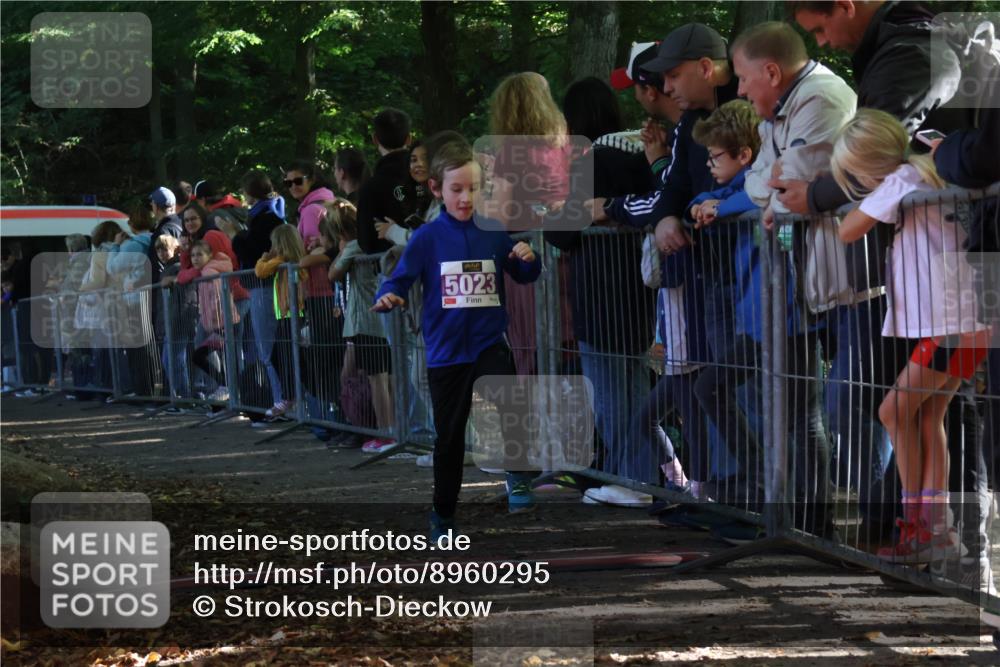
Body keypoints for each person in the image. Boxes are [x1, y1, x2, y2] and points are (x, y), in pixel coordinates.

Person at [831, 108, 990, 563]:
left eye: (854, 175)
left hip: (950, 326)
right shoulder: (932, 173)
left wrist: (872, 194)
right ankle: (936, 528)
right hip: (969, 325)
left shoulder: (903, 179)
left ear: (869, 165)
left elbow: (848, 229)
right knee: (926, 417)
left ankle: (926, 525)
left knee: (893, 412)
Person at [373, 141, 542, 537]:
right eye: (457, 189)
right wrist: (389, 295)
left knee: (512, 405)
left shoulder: (493, 232)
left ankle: (518, 475)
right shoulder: (427, 238)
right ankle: (443, 514)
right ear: (436, 189)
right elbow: (400, 277)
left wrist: (527, 258)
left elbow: (523, 274)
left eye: (473, 188)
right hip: (446, 354)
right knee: (449, 439)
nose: (466, 198)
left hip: (488, 343)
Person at [543, 76, 658, 504]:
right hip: (637, 295)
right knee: (635, 389)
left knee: (611, 394)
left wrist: (555, 212)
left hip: (599, 296)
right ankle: (641, 475)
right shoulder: (640, 157)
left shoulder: (591, 161)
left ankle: (631, 481)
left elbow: (561, 232)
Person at [486, 72, 571, 376]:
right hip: (566, 258)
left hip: (528, 262)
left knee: (533, 350)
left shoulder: (509, 153)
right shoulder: (565, 147)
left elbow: (499, 217)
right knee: (568, 345)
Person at [328, 197, 396, 454]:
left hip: (366, 321)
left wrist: (341, 250)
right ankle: (390, 429)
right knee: (386, 378)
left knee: (377, 379)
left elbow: (333, 274)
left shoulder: (354, 246)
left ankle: (386, 433)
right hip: (381, 320)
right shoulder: (372, 243)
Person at [233, 170, 288, 423]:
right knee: (273, 349)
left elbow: (253, 250)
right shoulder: (273, 211)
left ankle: (281, 404)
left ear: (249, 192)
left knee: (268, 349)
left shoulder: (265, 217)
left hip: (265, 287)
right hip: (267, 286)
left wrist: (235, 235)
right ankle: (283, 402)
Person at [254, 225, 309, 419]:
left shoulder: (282, 260)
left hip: (293, 315)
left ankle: (290, 396)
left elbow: (260, 271)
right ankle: (294, 395)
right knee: (278, 356)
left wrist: (264, 257)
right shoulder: (285, 262)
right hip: (284, 316)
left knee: (286, 357)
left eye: (274, 243)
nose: (272, 247)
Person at [106, 207, 158, 397]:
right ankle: (152, 386)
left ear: (132, 224)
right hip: (151, 296)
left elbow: (113, 268)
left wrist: (115, 246)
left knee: (137, 346)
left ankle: (142, 389)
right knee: (149, 345)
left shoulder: (133, 245)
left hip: (134, 298)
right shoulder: (153, 240)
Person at [187, 239, 240, 402]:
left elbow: (218, 298)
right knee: (214, 357)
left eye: (199, 255)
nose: (195, 258)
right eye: (193, 255)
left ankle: (226, 387)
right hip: (219, 324)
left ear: (209, 256)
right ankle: (226, 389)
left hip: (223, 325)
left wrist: (214, 322)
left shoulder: (209, 273)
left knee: (200, 356)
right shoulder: (205, 272)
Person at [356, 108, 414, 254]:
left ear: (375, 139)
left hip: (389, 264)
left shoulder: (370, 188)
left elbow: (366, 241)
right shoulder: (428, 179)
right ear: (409, 139)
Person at [285, 159, 335, 249]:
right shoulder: (326, 201)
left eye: (298, 181)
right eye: (288, 183)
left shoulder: (311, 211)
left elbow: (313, 250)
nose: (293, 186)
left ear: (311, 180)